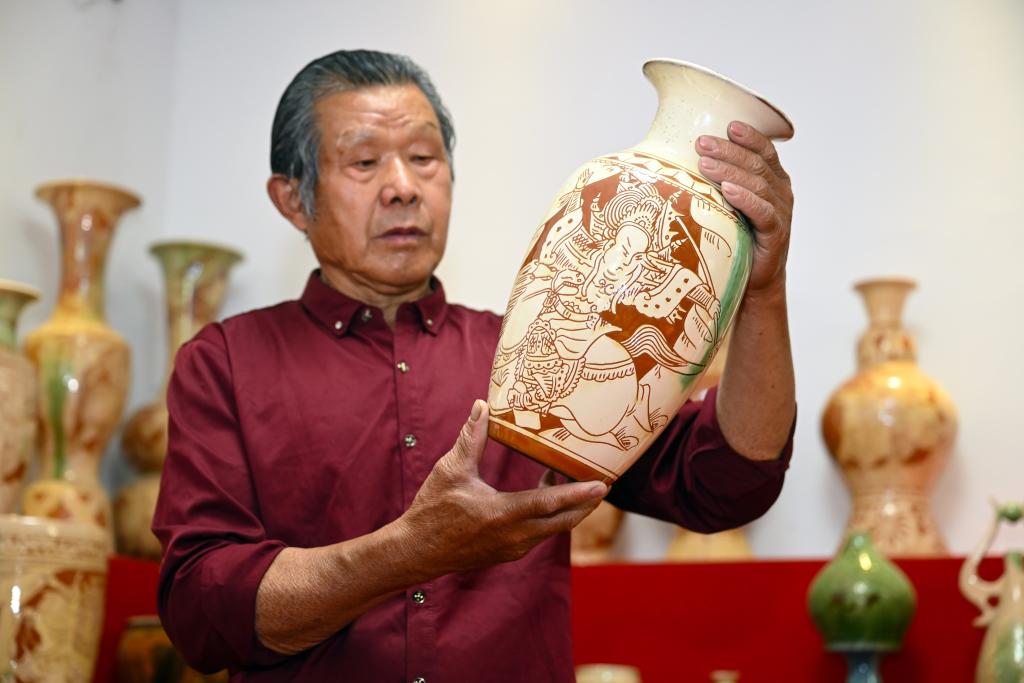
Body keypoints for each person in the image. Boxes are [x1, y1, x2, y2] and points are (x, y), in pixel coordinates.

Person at [153, 49, 796, 682]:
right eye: (365, 162)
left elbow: (724, 484)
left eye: (424, 158)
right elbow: (200, 613)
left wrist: (763, 290)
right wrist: (408, 552)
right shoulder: (226, 363)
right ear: (294, 198)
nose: (404, 188)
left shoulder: (536, 349)